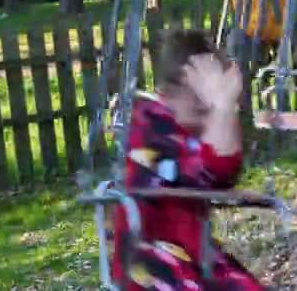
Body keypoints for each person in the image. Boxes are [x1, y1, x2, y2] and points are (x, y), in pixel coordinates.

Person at [111, 29, 265, 290]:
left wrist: (224, 108)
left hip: (191, 258)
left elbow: (223, 173)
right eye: (199, 103)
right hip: (150, 265)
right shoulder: (151, 123)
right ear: (168, 94)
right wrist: (222, 106)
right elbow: (210, 170)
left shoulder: (185, 129)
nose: (209, 117)